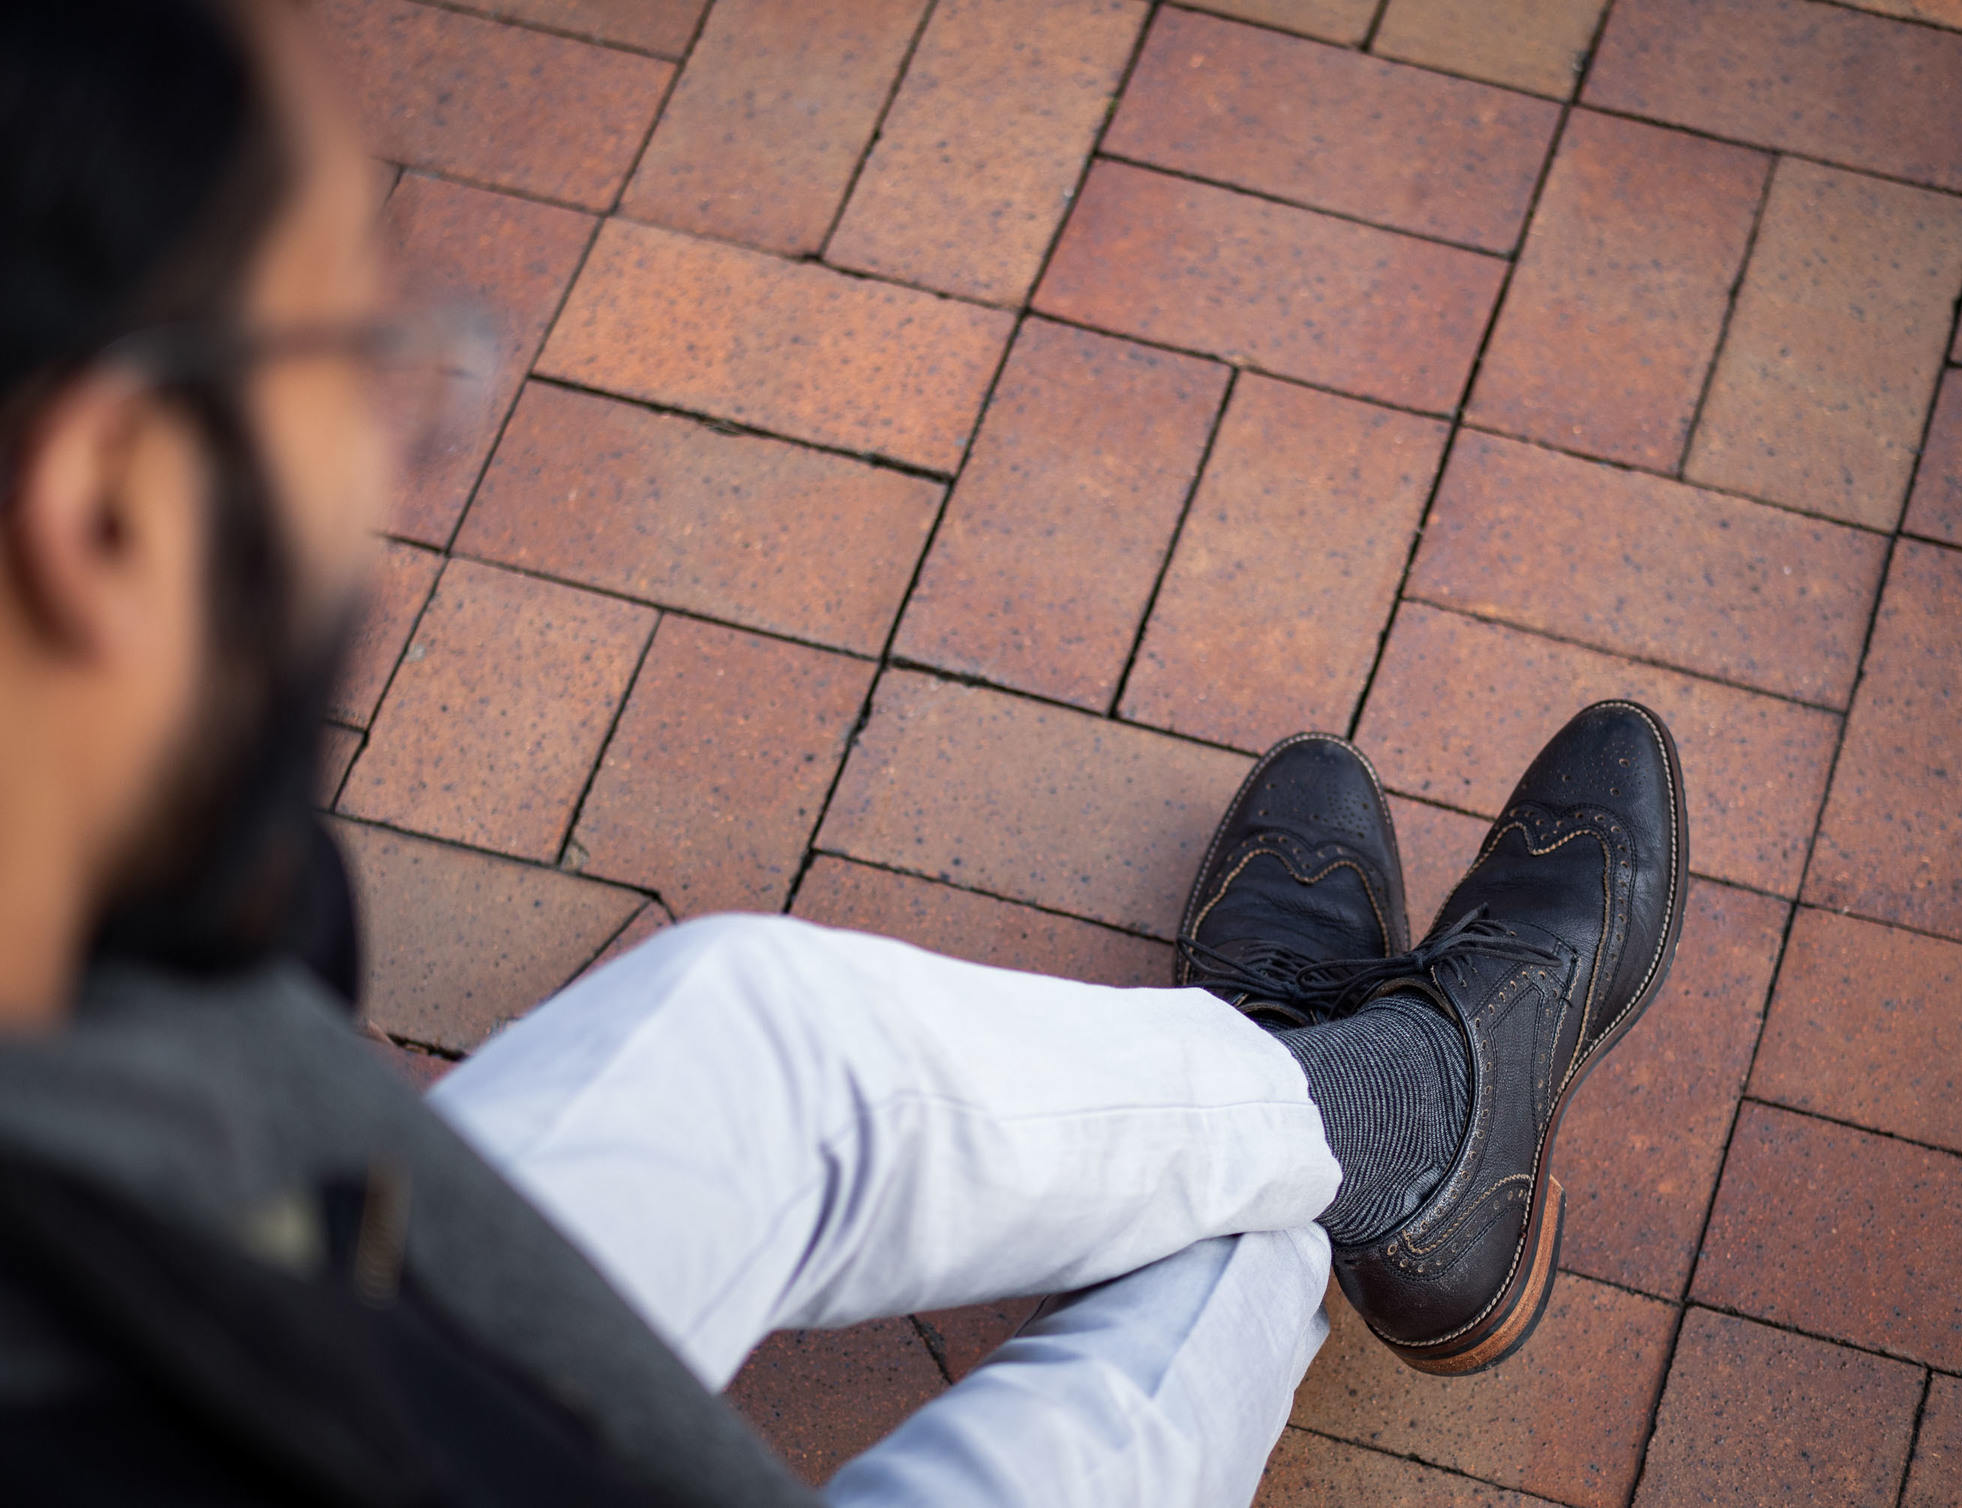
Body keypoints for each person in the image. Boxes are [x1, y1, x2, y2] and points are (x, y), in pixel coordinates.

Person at [0, 1, 1689, 1503]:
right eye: (361, 358)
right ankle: (1374, 1129)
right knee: (1065, 1454)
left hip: (288, 1261)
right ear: (109, 508)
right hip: (297, 1357)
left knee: (751, 1028)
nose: (386, 461)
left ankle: (1355, 1120)